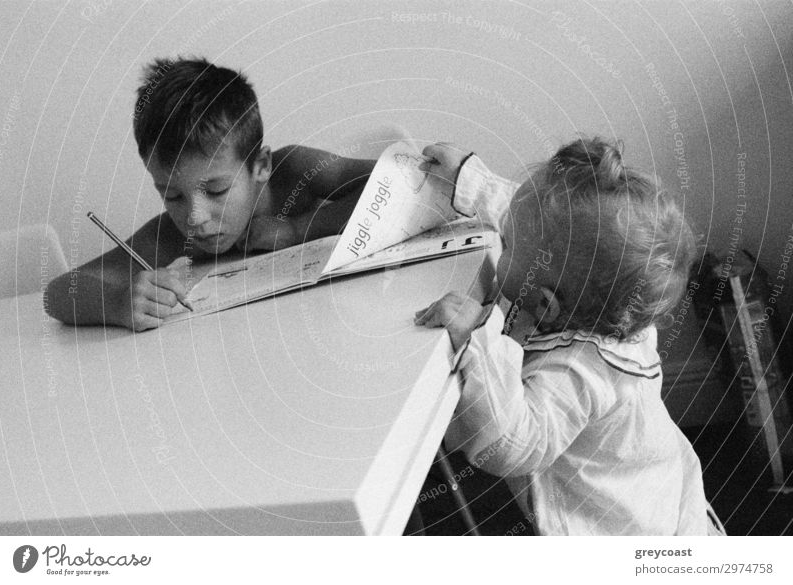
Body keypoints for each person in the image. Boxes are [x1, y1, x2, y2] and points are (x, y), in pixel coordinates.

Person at [415, 138, 724, 535]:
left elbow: (513, 445)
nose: (501, 243)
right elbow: (534, 224)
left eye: (505, 246)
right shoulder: (616, 303)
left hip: (625, 527)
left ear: (545, 305)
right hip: (654, 477)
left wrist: (478, 338)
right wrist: (470, 182)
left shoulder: (577, 373)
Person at [45, 57, 374, 331]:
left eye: (216, 190)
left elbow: (398, 182)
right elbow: (57, 294)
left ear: (260, 166)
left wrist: (297, 229)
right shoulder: (172, 239)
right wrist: (117, 303)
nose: (194, 218)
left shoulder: (295, 172)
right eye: (173, 196)